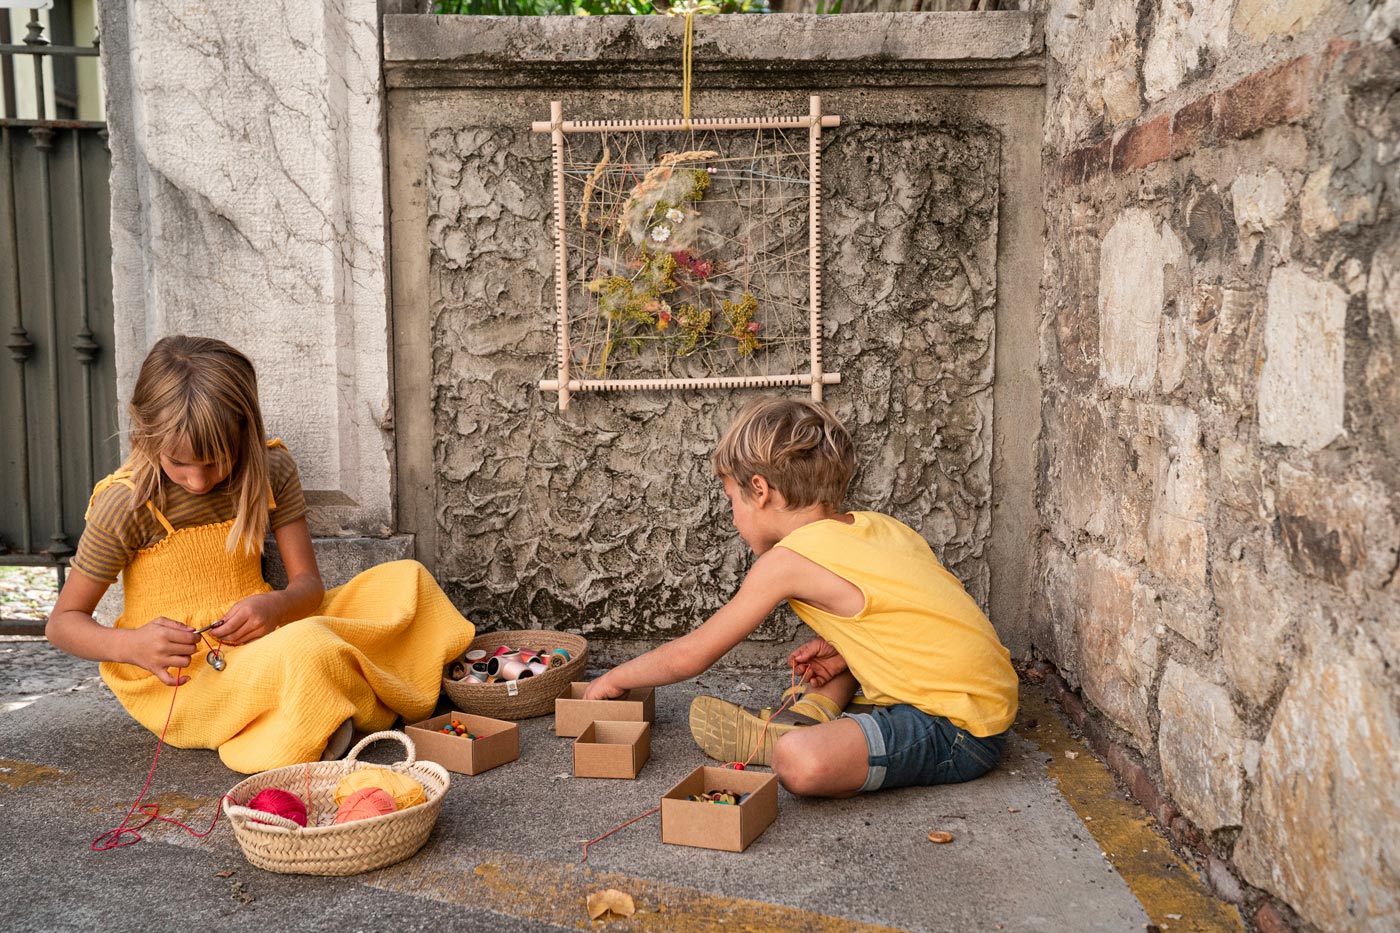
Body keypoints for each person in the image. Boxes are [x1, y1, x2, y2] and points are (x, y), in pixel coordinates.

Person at [46, 335, 474, 773]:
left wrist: (276, 605)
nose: (197, 481)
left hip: (269, 633)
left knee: (405, 580)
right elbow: (63, 624)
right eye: (179, 463)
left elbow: (308, 588)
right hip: (185, 675)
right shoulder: (127, 503)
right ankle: (321, 713)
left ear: (245, 432)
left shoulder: (271, 470)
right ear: (144, 434)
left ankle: (321, 709)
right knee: (308, 648)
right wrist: (132, 645)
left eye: (215, 462)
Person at [584, 396, 1018, 797]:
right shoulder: (881, 526)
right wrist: (844, 649)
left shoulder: (786, 562)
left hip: (960, 732)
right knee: (841, 662)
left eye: (732, 499)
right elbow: (917, 614)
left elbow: (691, 656)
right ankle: (815, 711)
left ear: (760, 489)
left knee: (799, 760)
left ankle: (805, 730)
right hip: (982, 697)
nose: (733, 516)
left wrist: (615, 679)